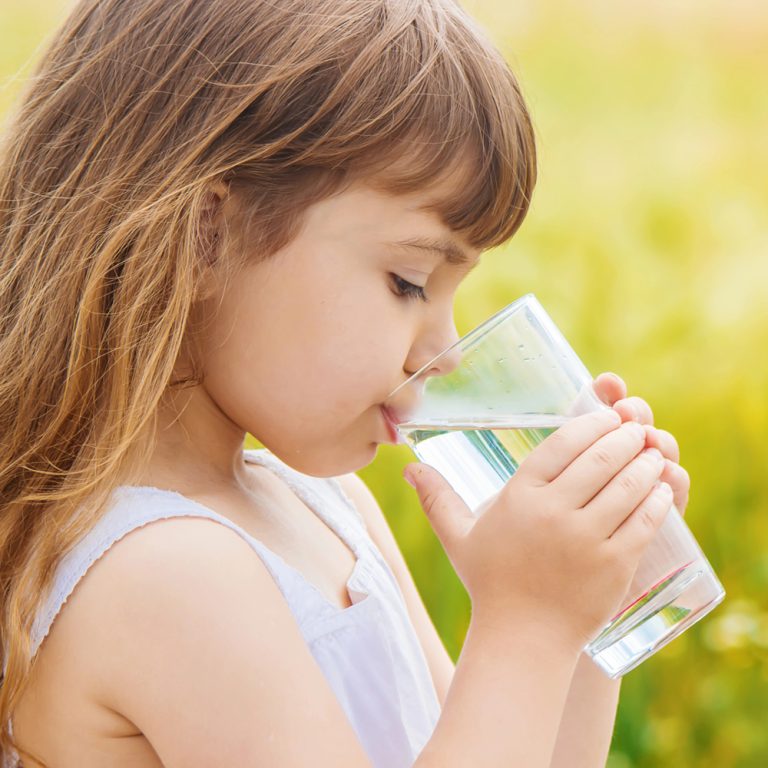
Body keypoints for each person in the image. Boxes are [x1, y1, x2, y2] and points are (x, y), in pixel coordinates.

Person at [0, 0, 691, 766]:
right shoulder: (166, 574)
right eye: (409, 280)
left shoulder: (324, 510)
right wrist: (525, 625)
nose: (446, 348)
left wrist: (582, 612)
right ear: (204, 233)